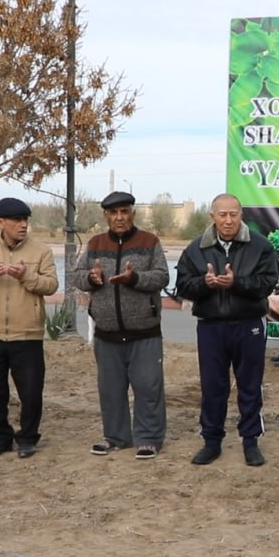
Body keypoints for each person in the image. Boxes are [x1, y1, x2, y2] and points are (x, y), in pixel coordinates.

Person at [175, 193, 279, 467]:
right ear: (212, 217)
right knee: (213, 387)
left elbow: (268, 283)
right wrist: (204, 283)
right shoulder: (196, 249)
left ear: (241, 215)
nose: (228, 220)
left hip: (249, 325)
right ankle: (211, 441)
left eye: (234, 214)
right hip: (211, 327)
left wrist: (237, 283)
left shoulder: (261, 246)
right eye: (222, 214)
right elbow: (183, 286)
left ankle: (250, 440)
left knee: (250, 385)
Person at [71, 190, 169, 459]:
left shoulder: (150, 242)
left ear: (132, 213)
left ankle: (148, 438)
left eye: (124, 212)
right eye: (113, 213)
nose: (119, 217)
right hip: (107, 333)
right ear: (106, 216)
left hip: (144, 332)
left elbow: (162, 277)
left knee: (148, 386)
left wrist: (134, 278)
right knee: (111, 390)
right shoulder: (95, 244)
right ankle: (116, 437)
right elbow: (77, 277)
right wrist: (92, 277)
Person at [0, 197, 59, 462]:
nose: (23, 224)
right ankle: (0, 438)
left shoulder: (41, 251)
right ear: (1, 222)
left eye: (25, 219)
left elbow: (51, 285)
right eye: (17, 220)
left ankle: (27, 438)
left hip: (27, 335)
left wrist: (25, 275)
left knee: (30, 391)